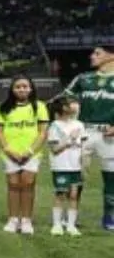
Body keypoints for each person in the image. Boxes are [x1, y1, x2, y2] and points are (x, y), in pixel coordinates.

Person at [55, 45, 114, 231]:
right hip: (84, 133)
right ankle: (70, 216)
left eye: (97, 53)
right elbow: (64, 98)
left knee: (111, 178)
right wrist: (69, 110)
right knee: (75, 175)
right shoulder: (83, 78)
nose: (92, 56)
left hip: (109, 135)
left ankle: (110, 218)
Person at [0, 76, 49, 235]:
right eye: (18, 87)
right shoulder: (2, 107)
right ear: (12, 89)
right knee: (13, 185)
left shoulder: (39, 107)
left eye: (25, 86)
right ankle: (13, 219)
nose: (22, 89)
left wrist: (30, 152)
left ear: (31, 89)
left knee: (28, 185)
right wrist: (9, 150)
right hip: (10, 153)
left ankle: (26, 220)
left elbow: (43, 132)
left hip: (32, 153)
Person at [47, 96, 86, 236]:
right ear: (62, 108)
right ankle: (57, 224)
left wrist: (84, 161)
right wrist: (70, 138)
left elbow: (83, 145)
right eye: (70, 104)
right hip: (61, 165)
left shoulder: (79, 125)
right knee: (60, 194)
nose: (74, 106)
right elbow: (54, 149)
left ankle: (71, 225)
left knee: (74, 195)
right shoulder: (55, 126)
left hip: (75, 166)